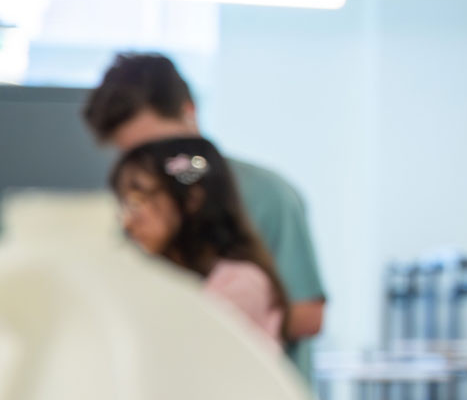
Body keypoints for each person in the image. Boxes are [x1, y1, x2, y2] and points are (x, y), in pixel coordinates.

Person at [83, 53, 326, 376]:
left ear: (189, 114)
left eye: (161, 152)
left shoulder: (264, 195)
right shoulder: (133, 210)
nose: (136, 212)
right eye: (134, 157)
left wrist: (226, 312)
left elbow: (308, 314)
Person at [112, 136, 290, 343]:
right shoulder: (159, 276)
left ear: (191, 199)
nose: (128, 220)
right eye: (123, 202)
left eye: (138, 199)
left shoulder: (240, 283)